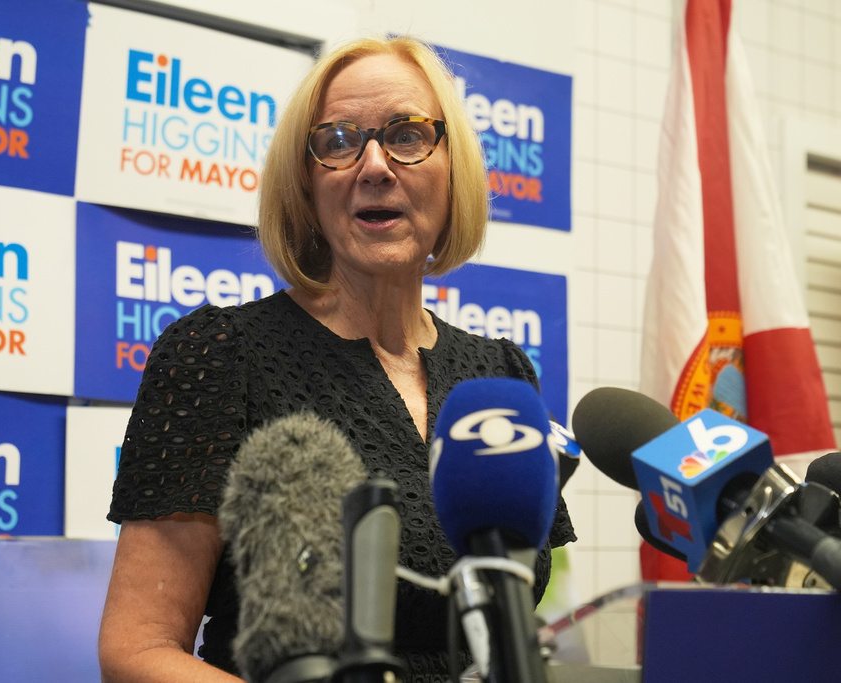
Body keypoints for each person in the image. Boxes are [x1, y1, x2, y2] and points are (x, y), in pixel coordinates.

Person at [98, 36, 575, 683]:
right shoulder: (220, 355)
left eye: (407, 135)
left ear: (453, 169)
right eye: (340, 140)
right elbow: (137, 650)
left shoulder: (501, 374)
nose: (375, 165)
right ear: (306, 183)